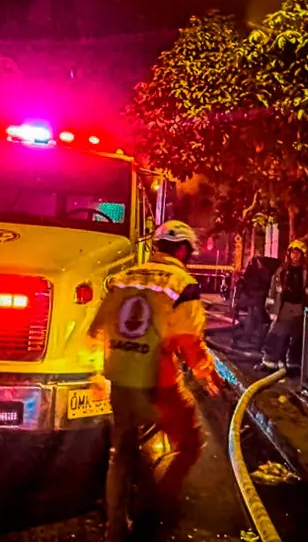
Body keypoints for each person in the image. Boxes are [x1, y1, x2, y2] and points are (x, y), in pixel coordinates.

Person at [87, 219, 223, 542]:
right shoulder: (182, 282)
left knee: (122, 452)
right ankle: (154, 513)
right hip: (158, 384)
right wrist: (206, 372)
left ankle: (115, 529)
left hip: (120, 380)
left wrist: (96, 375)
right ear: (181, 249)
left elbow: (96, 330)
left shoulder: (123, 278)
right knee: (189, 443)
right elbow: (187, 339)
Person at [255, 239, 308, 374]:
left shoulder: (307, 272)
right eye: (293, 253)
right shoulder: (282, 271)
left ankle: (293, 365)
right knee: (275, 334)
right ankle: (269, 362)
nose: (295, 256)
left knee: (297, 338)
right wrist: (270, 308)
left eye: (297, 253)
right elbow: (273, 290)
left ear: (303, 255)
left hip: (300, 308)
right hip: (284, 308)